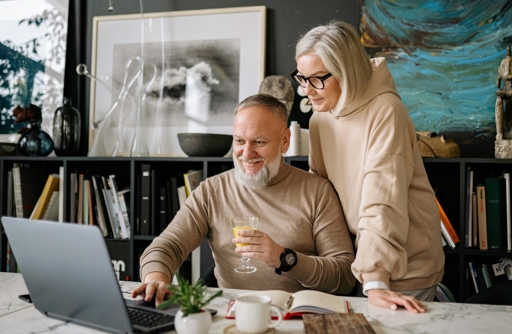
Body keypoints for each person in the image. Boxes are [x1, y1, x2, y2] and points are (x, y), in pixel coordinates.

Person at [132, 94, 355, 305]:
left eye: (259, 142)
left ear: (285, 141)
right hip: (231, 314)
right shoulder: (211, 190)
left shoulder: (317, 191)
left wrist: (283, 258)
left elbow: (344, 276)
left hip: (295, 315)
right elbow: (167, 245)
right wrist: (155, 278)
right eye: (239, 141)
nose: (247, 153)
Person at [293, 21, 445, 313]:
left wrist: (375, 278)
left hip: (404, 265)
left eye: (317, 79)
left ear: (346, 72)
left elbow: (382, 197)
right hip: (360, 262)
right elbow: (320, 192)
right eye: (302, 78)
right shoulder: (320, 119)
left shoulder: (386, 110)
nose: (307, 91)